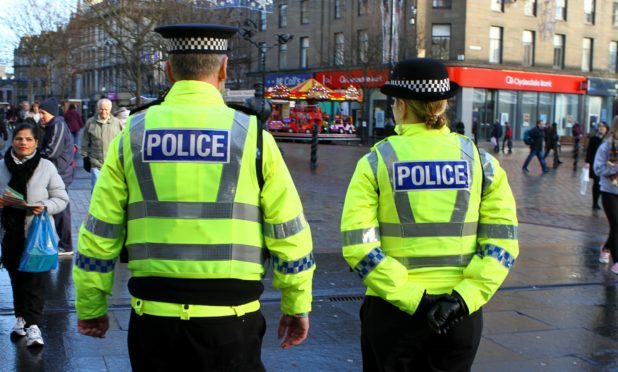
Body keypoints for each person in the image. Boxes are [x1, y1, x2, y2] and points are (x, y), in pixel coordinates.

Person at [73, 23, 315, 371]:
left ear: (169, 71)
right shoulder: (253, 138)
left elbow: (100, 232)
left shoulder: (132, 136)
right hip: (232, 323)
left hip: (154, 320)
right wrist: (296, 303)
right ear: (223, 69)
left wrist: (91, 305)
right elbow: (289, 233)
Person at [341, 58, 519, 371]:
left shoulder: (376, 162)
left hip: (393, 313)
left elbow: (360, 247)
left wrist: (416, 300)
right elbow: (501, 246)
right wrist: (462, 299)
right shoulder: (481, 162)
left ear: (402, 106)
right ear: (443, 105)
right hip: (459, 315)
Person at [0, 123, 69, 347]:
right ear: (13, 140)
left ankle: (34, 326)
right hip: (10, 232)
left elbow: (61, 197)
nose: (23, 143)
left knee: (35, 281)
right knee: (16, 278)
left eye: (29, 139)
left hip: (36, 233)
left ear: (36, 143)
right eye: (19, 138)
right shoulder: (2, 165)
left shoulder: (46, 167)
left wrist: (45, 205)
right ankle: (20, 317)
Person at [38, 97, 75, 255]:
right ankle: (61, 243)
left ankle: (66, 245)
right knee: (58, 210)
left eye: (43, 113)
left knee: (61, 211)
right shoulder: (52, 125)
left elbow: (52, 151)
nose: (41, 116)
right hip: (56, 173)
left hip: (59, 175)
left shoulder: (58, 124)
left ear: (51, 113)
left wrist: (35, 156)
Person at [593, 116, 618, 273]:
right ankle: (617, 262)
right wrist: (615, 168)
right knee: (616, 225)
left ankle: (606, 246)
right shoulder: (607, 146)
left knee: (616, 227)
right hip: (609, 191)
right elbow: (598, 169)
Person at [81, 98, 122, 190]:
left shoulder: (117, 123)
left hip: (112, 163)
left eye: (106, 109)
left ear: (110, 109)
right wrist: (85, 157)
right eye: (101, 109)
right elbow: (85, 141)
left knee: (111, 190)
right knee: (96, 189)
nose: (103, 111)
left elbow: (122, 141)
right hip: (96, 162)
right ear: (97, 108)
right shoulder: (90, 122)